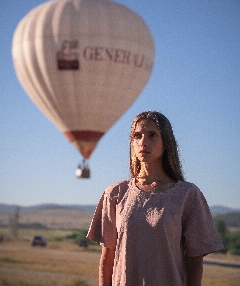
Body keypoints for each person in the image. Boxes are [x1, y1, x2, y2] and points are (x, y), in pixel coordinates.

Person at [87, 111, 224, 286]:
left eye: (152, 135)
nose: (143, 142)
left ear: (166, 142)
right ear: (132, 143)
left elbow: (195, 262)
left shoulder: (188, 194)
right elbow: (107, 258)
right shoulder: (115, 193)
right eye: (137, 136)